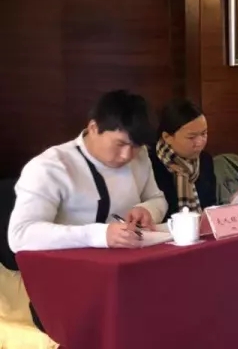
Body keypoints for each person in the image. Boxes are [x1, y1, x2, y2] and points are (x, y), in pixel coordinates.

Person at [8, 89, 167, 252]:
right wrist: (99, 235)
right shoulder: (50, 167)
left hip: (129, 256)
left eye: (135, 146)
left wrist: (147, 210)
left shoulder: (140, 156)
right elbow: (20, 235)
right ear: (93, 128)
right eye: (120, 144)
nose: (126, 155)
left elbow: (157, 198)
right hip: (69, 262)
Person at [149, 99, 219, 217]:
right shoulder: (150, 163)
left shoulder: (205, 160)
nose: (200, 142)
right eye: (191, 137)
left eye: (204, 133)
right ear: (167, 137)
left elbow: (210, 205)